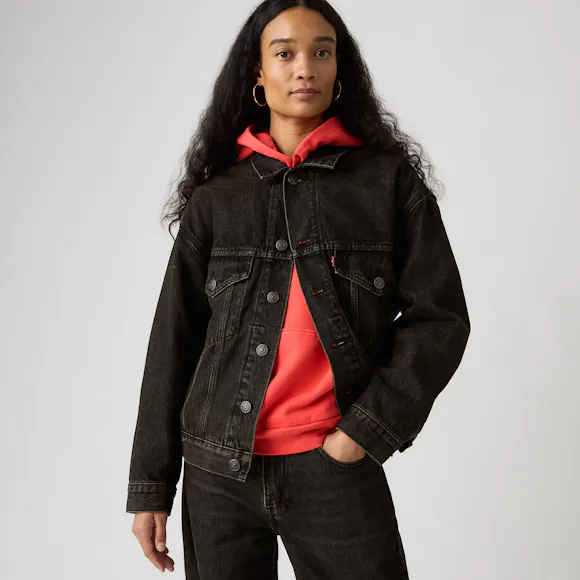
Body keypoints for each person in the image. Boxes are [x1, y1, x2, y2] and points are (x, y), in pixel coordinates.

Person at [125, 1, 471, 578]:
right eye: (284, 53)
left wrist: (365, 430)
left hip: (334, 466)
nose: (304, 67)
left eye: (321, 52)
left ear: (339, 70)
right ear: (258, 73)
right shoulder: (217, 199)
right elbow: (173, 342)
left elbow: (439, 319)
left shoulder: (385, 184)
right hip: (217, 473)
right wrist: (150, 486)